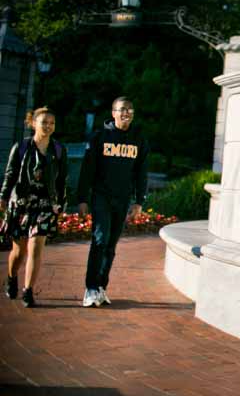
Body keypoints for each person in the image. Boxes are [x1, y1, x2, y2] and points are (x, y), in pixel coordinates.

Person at [77, 96, 149, 307]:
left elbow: (141, 173)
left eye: (130, 110)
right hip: (101, 197)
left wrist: (139, 201)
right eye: (122, 109)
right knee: (100, 240)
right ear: (113, 112)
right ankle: (90, 289)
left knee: (111, 245)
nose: (126, 113)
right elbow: (87, 170)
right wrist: (82, 198)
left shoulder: (139, 140)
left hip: (123, 198)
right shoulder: (99, 137)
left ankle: (101, 288)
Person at [0, 107, 68, 307]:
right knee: (19, 252)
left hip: (45, 205)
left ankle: (28, 291)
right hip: (21, 204)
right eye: (44, 122)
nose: (48, 126)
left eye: (51, 123)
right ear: (33, 123)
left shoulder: (58, 150)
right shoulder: (21, 147)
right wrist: (3, 197)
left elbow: (62, 180)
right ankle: (12, 278)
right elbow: (10, 175)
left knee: (36, 248)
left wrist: (61, 202)